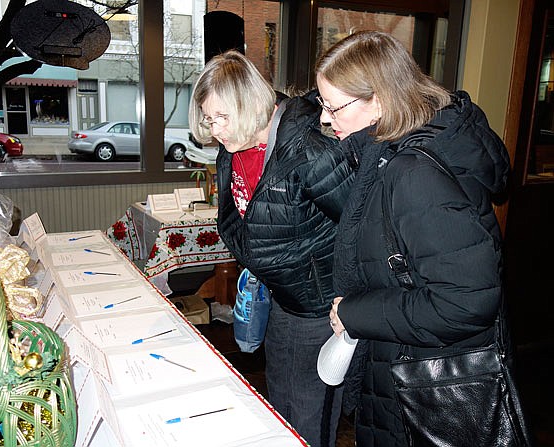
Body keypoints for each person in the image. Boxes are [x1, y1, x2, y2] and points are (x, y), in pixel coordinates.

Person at [316, 31, 511, 446]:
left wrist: (356, 314)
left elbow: (465, 302)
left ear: (381, 102)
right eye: (322, 104)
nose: (325, 118)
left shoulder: (413, 173)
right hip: (402, 363)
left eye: (334, 106)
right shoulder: (386, 157)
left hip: (424, 381)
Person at [189, 50, 353, 447]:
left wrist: (351, 305)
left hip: (321, 308)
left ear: (248, 104)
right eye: (209, 119)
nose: (216, 130)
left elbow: (360, 226)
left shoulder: (309, 151)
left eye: (222, 117)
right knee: (279, 403)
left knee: (310, 416)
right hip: (284, 297)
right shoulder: (232, 150)